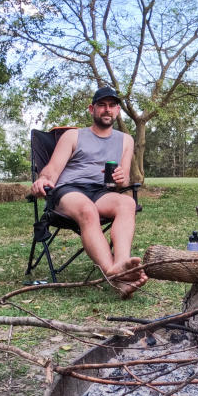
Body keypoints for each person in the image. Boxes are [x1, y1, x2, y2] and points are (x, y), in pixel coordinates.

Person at [31, 86, 146, 297]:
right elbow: (52, 170)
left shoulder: (125, 140)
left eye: (112, 105)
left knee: (127, 203)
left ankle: (121, 266)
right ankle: (114, 274)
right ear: (91, 109)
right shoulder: (73, 136)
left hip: (101, 191)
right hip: (69, 190)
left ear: (118, 111)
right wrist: (43, 180)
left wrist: (121, 179)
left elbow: (124, 181)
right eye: (101, 105)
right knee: (87, 209)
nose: (107, 110)